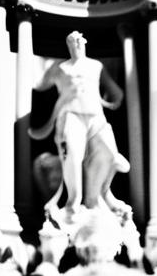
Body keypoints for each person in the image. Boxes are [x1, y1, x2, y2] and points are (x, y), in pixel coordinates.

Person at [30, 31, 130, 218]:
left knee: (110, 154)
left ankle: (98, 195)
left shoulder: (96, 66)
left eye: (78, 41)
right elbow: (38, 84)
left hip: (95, 115)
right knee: (73, 156)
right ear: (68, 45)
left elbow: (115, 91)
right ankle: (73, 201)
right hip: (70, 114)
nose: (76, 44)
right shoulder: (59, 68)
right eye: (72, 41)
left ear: (84, 43)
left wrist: (111, 101)